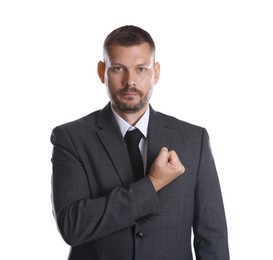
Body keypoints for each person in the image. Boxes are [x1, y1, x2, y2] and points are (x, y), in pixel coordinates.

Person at [50, 25, 230, 260]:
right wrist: (153, 183)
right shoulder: (71, 138)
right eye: (118, 69)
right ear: (101, 71)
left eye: (141, 69)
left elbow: (212, 237)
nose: (130, 81)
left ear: (155, 73)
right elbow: (72, 227)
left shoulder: (193, 139)